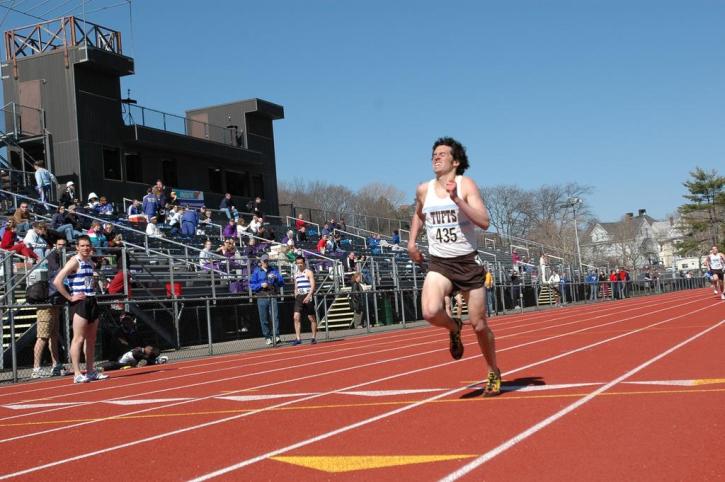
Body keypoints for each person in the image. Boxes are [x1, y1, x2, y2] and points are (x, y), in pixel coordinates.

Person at [407, 137, 501, 397]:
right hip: (440, 263)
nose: (436, 157)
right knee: (429, 311)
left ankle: (493, 370)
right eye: (433, 154)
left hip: (468, 262)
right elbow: (418, 214)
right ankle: (454, 327)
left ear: (455, 161)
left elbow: (484, 222)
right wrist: (412, 242)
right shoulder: (423, 190)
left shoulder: (465, 184)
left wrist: (458, 200)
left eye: (442, 154)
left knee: (479, 324)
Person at [53, 235, 108, 384]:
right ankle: (77, 373)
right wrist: (70, 297)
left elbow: (89, 283)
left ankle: (90, 371)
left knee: (91, 339)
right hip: (80, 303)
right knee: (78, 338)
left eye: (87, 245)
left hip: (91, 300)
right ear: (77, 247)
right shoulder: (74, 261)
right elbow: (57, 281)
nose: (85, 248)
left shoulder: (90, 262)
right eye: (82, 246)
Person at [32, 238, 67, 378]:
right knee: (42, 336)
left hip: (56, 302)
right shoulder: (51, 255)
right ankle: (36, 368)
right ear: (54, 245)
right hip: (46, 302)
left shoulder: (62, 257)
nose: (62, 248)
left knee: (54, 335)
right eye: (59, 245)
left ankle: (56, 364)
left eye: (64, 245)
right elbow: (57, 270)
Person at [250, 254, 284, 345]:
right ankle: (267, 337)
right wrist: (260, 285)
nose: (266, 262)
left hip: (272, 295)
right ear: (261, 262)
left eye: (267, 261)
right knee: (263, 318)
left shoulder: (273, 270)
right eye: (264, 261)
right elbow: (252, 285)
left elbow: (282, 282)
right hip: (262, 296)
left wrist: (276, 278)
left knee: (275, 317)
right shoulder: (256, 272)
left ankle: (276, 336)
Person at [292, 255, 318, 344]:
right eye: (298, 263)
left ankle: (313, 337)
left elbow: (313, 286)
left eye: (301, 263)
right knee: (296, 317)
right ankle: (298, 338)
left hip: (308, 295)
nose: (299, 265)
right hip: (299, 296)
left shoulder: (309, 272)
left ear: (304, 263)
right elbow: (296, 285)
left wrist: (309, 296)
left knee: (311, 317)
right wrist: (296, 294)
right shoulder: (296, 274)